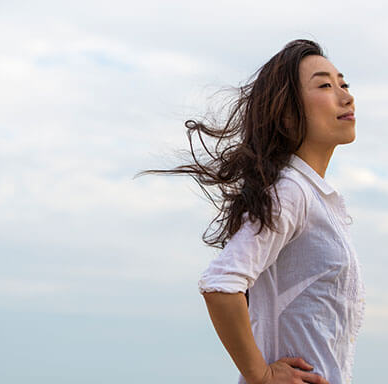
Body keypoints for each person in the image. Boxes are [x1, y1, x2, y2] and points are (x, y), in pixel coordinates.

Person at [137, 39, 364, 383]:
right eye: (325, 85)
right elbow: (220, 284)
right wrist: (262, 375)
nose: (346, 96)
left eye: (343, 84)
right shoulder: (292, 191)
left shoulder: (314, 197)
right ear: (288, 115)